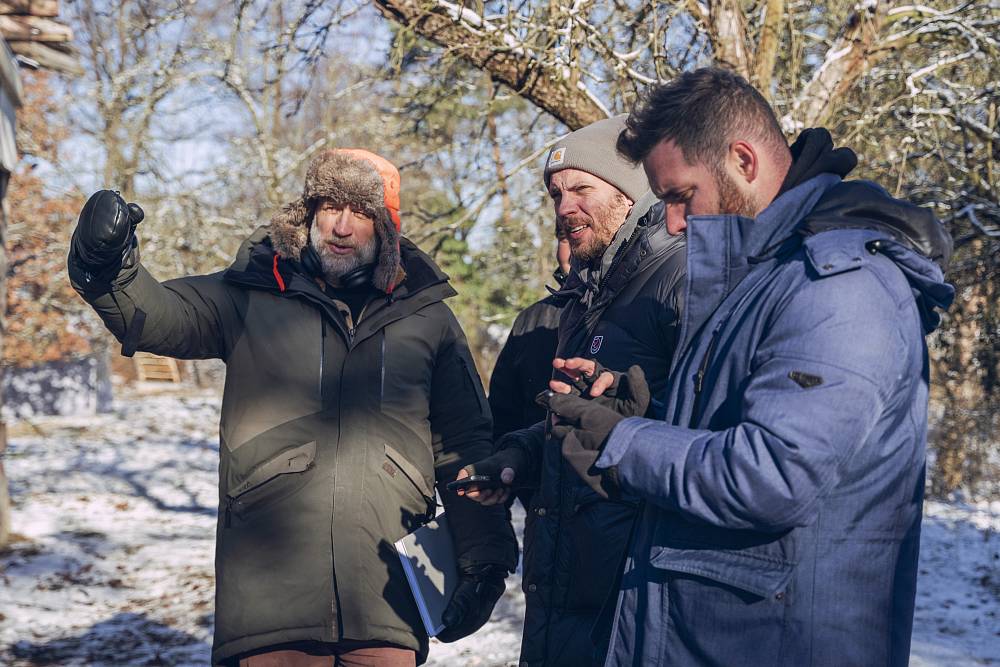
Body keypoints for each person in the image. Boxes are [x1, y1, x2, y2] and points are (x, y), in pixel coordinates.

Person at [539, 68, 955, 666]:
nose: (674, 224)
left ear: (743, 160)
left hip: (779, 643)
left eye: (681, 197)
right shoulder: (761, 279)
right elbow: (742, 432)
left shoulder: (840, 287)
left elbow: (772, 477)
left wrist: (623, 441)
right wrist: (642, 411)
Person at [67, 149, 518, 667]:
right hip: (269, 594)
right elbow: (156, 316)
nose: (342, 227)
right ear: (307, 214)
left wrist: (484, 557)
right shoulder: (253, 291)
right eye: (329, 207)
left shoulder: (428, 318)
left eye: (362, 213)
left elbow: (465, 446)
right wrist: (107, 264)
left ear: (388, 228)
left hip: (387, 591)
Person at [463, 116, 686, 666]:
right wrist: (518, 456)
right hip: (564, 587)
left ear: (629, 194)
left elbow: (711, 433)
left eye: (583, 188)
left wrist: (632, 415)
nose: (565, 208)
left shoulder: (681, 279)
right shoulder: (587, 301)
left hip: (635, 594)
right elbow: (582, 426)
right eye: (557, 194)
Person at [486, 226, 570, 510]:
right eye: (564, 238)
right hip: (539, 509)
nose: (571, 247)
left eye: (578, 232)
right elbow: (501, 415)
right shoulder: (530, 321)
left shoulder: (634, 311)